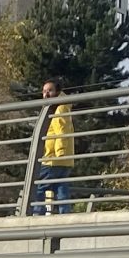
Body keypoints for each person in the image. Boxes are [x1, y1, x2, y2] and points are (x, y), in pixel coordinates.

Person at [35, 81, 75, 215]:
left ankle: (36, 213)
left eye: (50, 90)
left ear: (57, 92)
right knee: (60, 186)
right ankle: (65, 214)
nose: (46, 94)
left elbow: (61, 131)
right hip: (63, 159)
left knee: (39, 186)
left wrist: (60, 151)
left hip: (53, 158)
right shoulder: (58, 107)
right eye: (44, 91)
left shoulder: (59, 108)